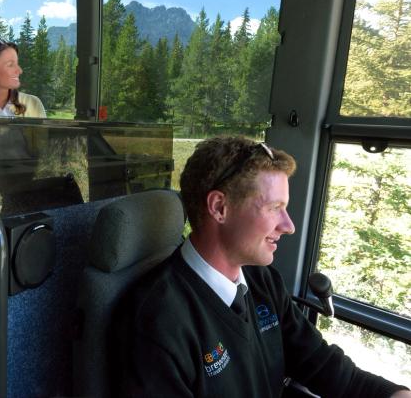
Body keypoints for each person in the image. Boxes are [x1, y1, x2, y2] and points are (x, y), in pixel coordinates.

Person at [114, 136, 410, 397]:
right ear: (219, 208)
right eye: (274, 208)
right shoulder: (156, 321)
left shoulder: (262, 280)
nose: (289, 226)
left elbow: (322, 364)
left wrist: (393, 393)